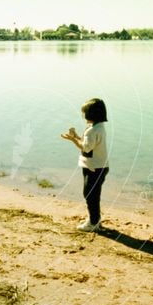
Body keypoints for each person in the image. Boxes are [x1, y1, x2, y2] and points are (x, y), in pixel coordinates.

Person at [60, 98, 110, 232]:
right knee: (93, 194)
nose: (83, 116)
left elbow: (85, 148)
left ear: (91, 114)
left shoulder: (92, 130)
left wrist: (72, 140)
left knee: (89, 194)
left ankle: (93, 223)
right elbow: (88, 144)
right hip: (98, 166)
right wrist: (76, 135)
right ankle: (95, 219)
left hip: (94, 167)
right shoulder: (98, 127)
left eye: (84, 113)